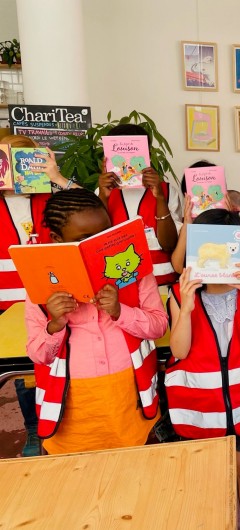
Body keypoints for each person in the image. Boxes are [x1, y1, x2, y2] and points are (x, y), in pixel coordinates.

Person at [25, 188, 167, 454]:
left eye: (104, 233)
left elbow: (158, 326)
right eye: (85, 239)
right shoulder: (40, 285)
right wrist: (55, 323)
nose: (97, 244)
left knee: (132, 467)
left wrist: (119, 311)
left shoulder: (134, 270)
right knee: (79, 476)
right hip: (73, 406)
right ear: (57, 239)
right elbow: (38, 354)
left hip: (128, 395)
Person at [166, 209, 240, 530]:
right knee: (205, 476)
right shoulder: (181, 294)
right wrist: (186, 308)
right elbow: (179, 351)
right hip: (198, 411)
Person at [0, 134, 77, 457]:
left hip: (52, 296)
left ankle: (62, 420)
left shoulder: (50, 197)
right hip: (7, 303)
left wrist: (56, 177)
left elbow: (89, 208)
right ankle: (33, 427)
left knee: (58, 359)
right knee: (23, 367)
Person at [97, 124, 181, 286]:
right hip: (118, 285)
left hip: (161, 282)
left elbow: (170, 244)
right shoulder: (102, 192)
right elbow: (95, 242)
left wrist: (160, 199)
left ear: (147, 154)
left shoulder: (167, 191)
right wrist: (103, 197)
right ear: (107, 158)